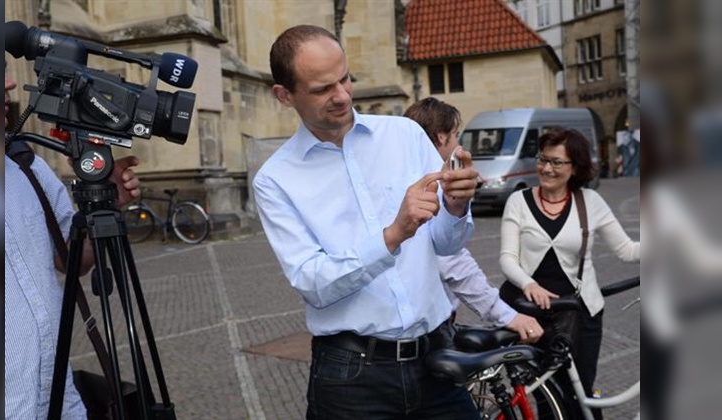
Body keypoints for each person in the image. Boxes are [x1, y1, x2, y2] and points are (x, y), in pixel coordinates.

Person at [254, 25, 481, 419]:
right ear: (284, 95)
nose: (341, 96)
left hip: (437, 362)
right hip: (352, 380)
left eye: (345, 78)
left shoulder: (405, 134)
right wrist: (393, 236)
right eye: (323, 88)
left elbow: (446, 244)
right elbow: (314, 283)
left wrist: (457, 207)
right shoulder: (275, 179)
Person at [4, 67, 141, 418]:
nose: (9, 83)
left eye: (3, 69)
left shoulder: (25, 164)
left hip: (60, 403)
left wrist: (104, 205)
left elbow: (72, 260)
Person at [498, 127, 639, 417]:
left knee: (581, 392)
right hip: (531, 314)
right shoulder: (519, 201)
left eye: (557, 162)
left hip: (580, 311)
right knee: (546, 396)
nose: (547, 168)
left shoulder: (590, 201)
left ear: (575, 167)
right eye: (543, 160)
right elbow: (507, 259)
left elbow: (627, 250)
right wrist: (529, 284)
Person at [403, 97, 543, 342]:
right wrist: (507, 316)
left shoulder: (403, 179)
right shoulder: (431, 186)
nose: (459, 143)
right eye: (456, 135)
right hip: (427, 330)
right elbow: (454, 265)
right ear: (440, 137)